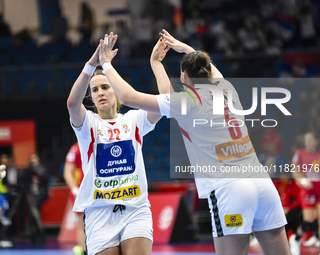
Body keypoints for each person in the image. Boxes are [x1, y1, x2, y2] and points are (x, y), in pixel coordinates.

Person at [98, 31, 290, 255]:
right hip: (263, 184)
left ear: (183, 78)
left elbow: (129, 97)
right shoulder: (227, 89)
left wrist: (106, 64)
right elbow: (190, 80)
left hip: (230, 190)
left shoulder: (187, 101)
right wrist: (181, 49)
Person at [66, 34, 163, 255]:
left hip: (135, 209)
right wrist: (91, 65)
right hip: (99, 213)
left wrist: (156, 64)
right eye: (95, 90)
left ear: (116, 92)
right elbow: (72, 103)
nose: (100, 92)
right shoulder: (88, 124)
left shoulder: (134, 119)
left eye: (105, 87)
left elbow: (164, 102)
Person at [289, 132, 320, 254]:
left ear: (316, 141)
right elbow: (294, 170)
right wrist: (302, 180)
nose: (308, 142)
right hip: (307, 189)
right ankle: (295, 239)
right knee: (309, 220)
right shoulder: (300, 153)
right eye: (306, 140)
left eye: (310, 140)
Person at [63, 142, 86, 255]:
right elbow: (67, 172)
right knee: (82, 223)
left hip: (99, 192)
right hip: (81, 193)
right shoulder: (76, 148)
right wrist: (75, 189)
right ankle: (84, 251)